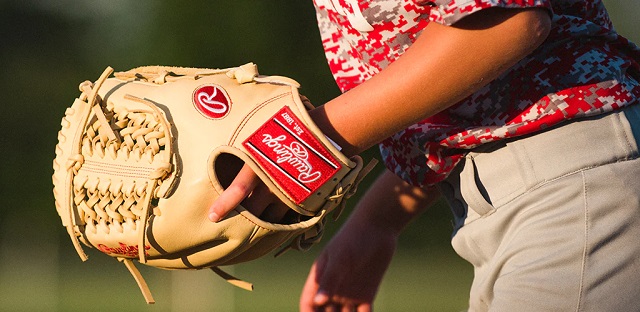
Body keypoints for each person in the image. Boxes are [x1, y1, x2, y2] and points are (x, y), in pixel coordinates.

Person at [208, 0, 640, 311]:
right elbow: (469, 108)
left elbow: (507, 19)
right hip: (522, 205)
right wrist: (375, 223)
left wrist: (305, 138)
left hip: (576, 191)